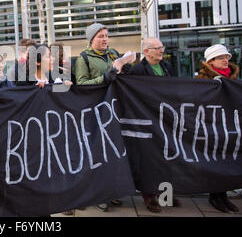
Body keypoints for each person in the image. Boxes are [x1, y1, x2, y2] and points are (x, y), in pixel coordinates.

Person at [75, 23, 125, 212]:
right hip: (96, 111)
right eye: (100, 36)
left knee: (113, 152)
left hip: (114, 108)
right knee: (98, 154)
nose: (105, 39)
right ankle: (98, 194)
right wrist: (105, 78)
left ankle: (111, 192)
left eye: (106, 35)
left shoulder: (112, 53)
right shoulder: (84, 59)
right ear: (91, 40)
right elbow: (81, 84)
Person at [129, 37, 181, 213]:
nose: (161, 50)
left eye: (162, 47)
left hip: (165, 117)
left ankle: (166, 194)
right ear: (146, 52)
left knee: (166, 157)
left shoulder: (167, 67)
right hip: (148, 120)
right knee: (149, 159)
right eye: (157, 48)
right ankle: (149, 196)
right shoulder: (138, 70)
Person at [196, 44, 240, 213]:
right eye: (221, 58)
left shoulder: (233, 79)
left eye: (227, 57)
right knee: (215, 160)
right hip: (212, 126)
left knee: (228, 160)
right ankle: (215, 196)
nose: (225, 61)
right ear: (211, 61)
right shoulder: (203, 79)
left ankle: (224, 195)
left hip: (230, 126)